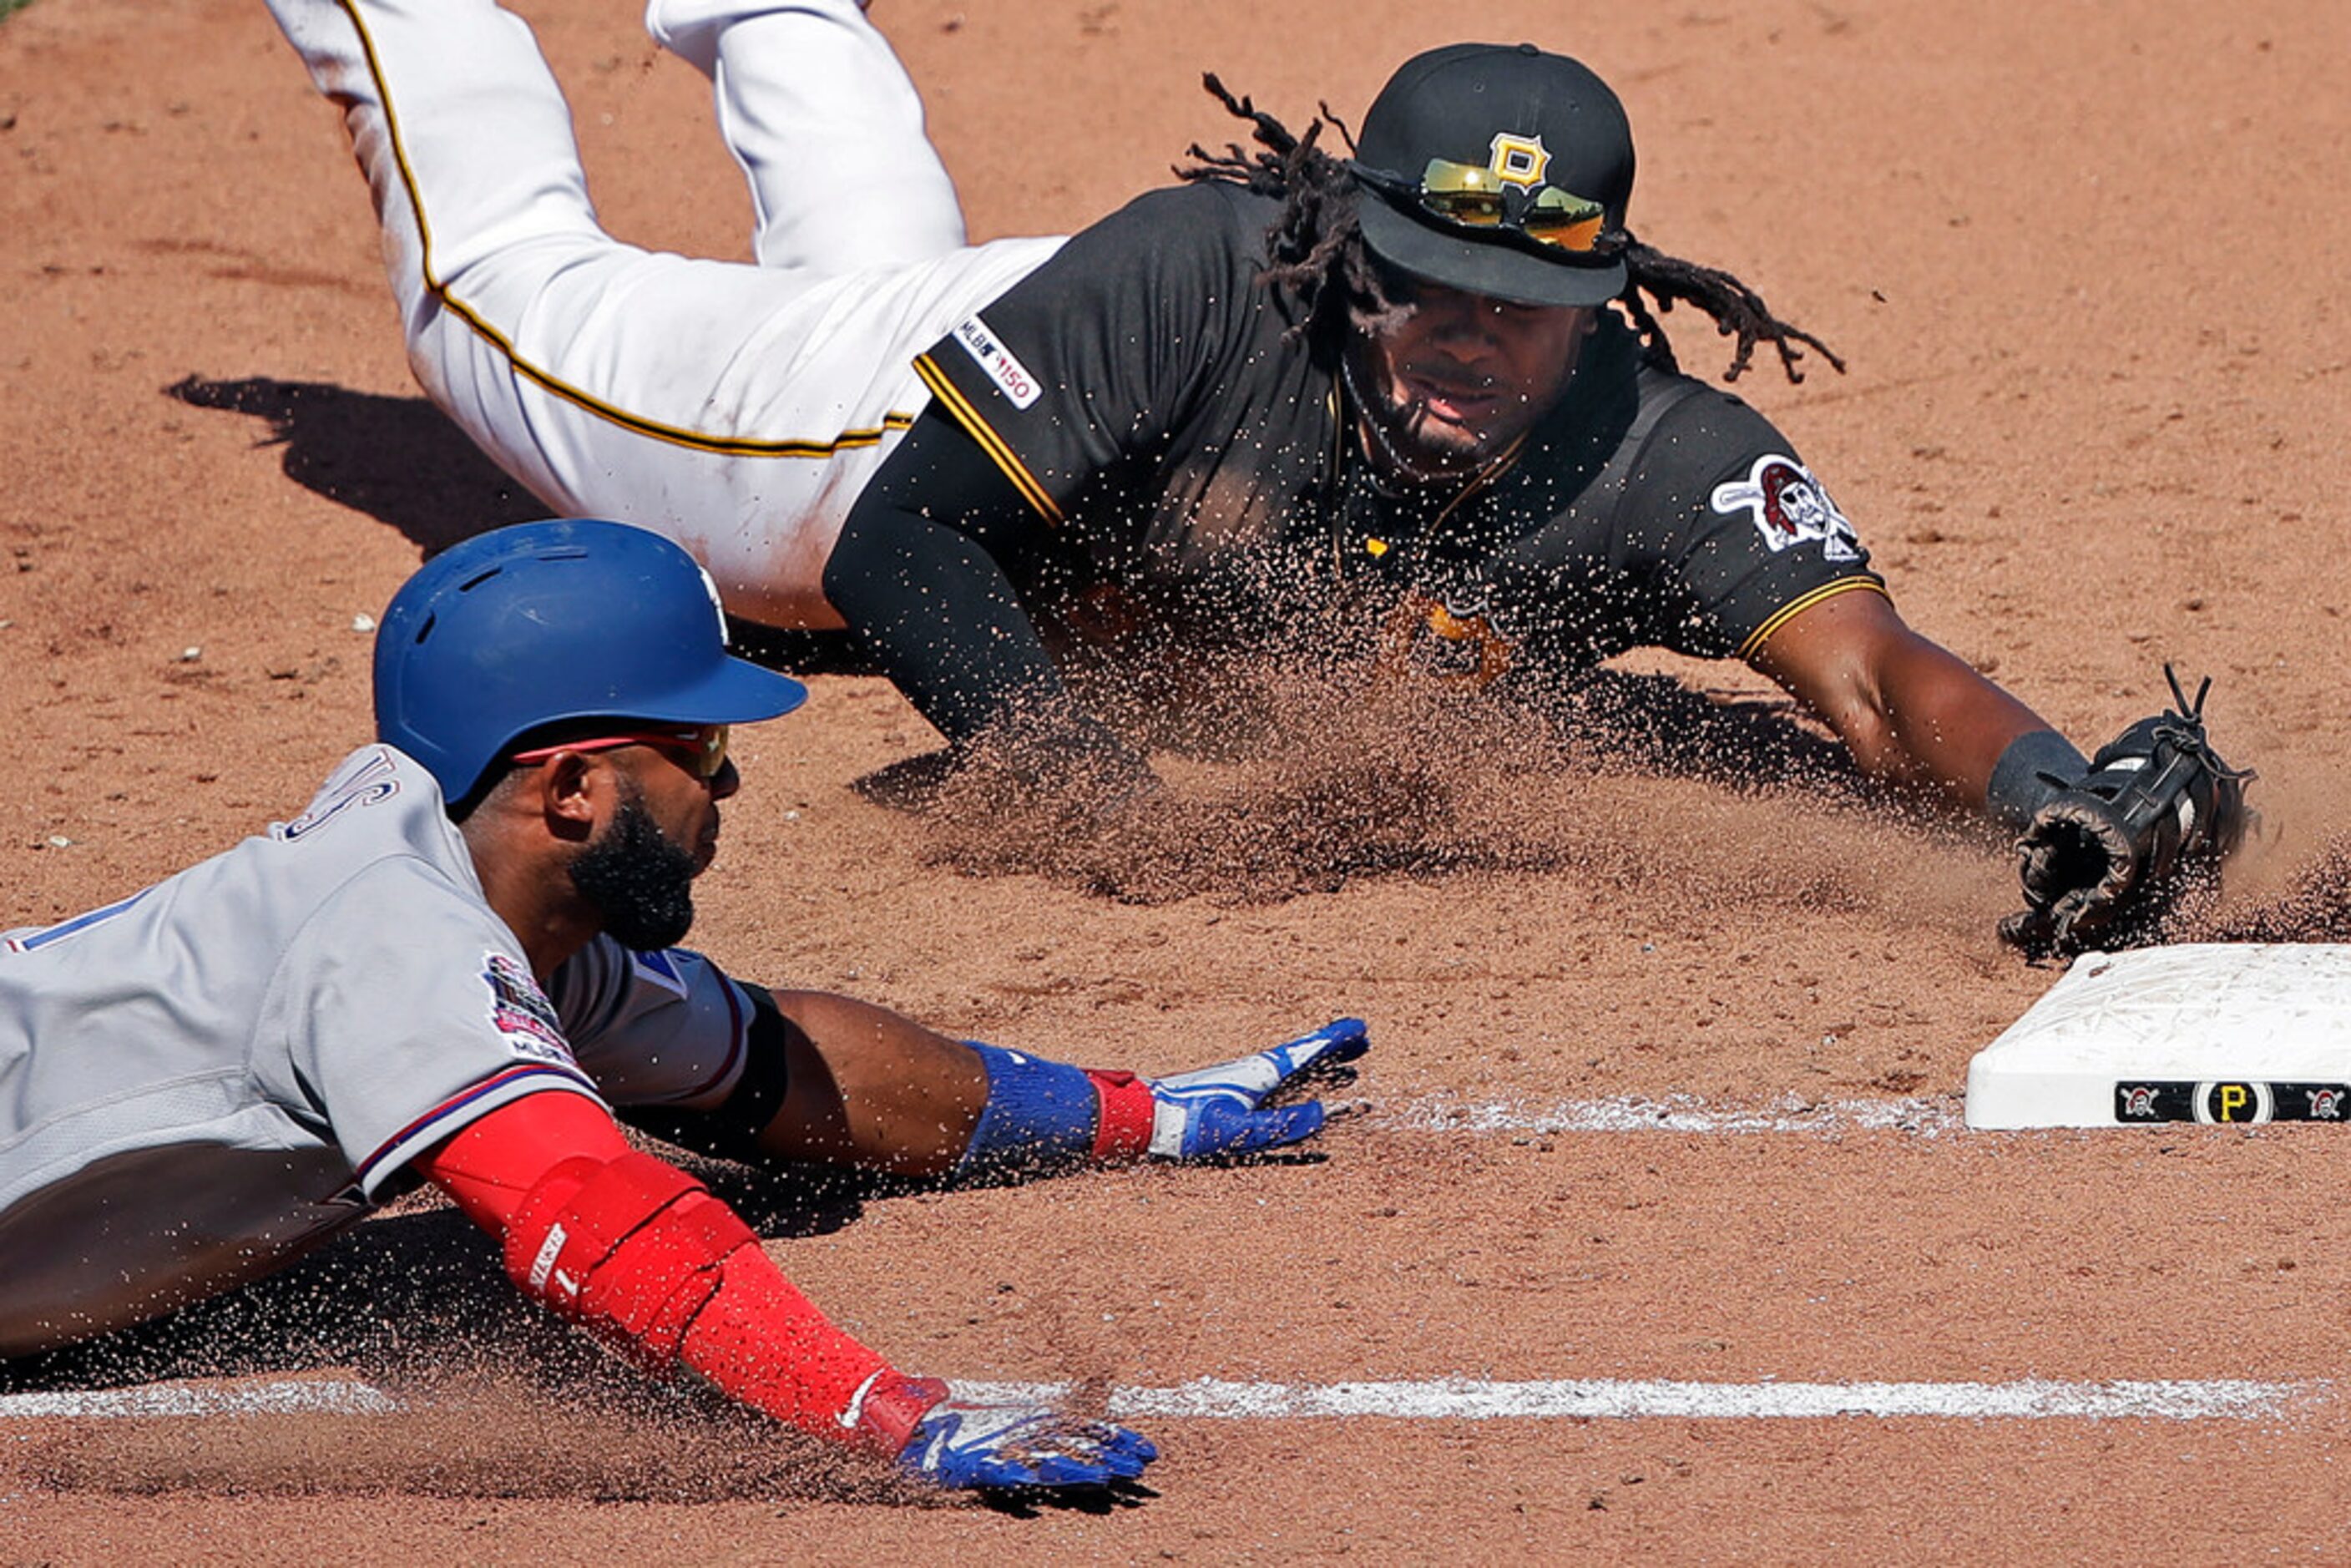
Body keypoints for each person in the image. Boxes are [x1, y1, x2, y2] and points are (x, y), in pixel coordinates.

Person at [263, 0, 2247, 954]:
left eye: (1519, 312)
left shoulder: (1661, 458)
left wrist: (2049, 789)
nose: (1466, 340)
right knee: (493, 287)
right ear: (1344, 247)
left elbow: (1873, 676)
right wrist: (1094, 794)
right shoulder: (1210, 269)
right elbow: (901, 545)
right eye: (1425, 291)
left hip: (1046, 365)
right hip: (852, 426)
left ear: (1601, 305)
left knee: (873, 233)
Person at [0, 518, 1371, 1492]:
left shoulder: (512, 915)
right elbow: (594, 1215)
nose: (727, 789)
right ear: (574, 788)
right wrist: (888, 1418)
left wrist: (1126, 1114)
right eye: (700, 748)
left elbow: (780, 1060)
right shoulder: (397, 946)